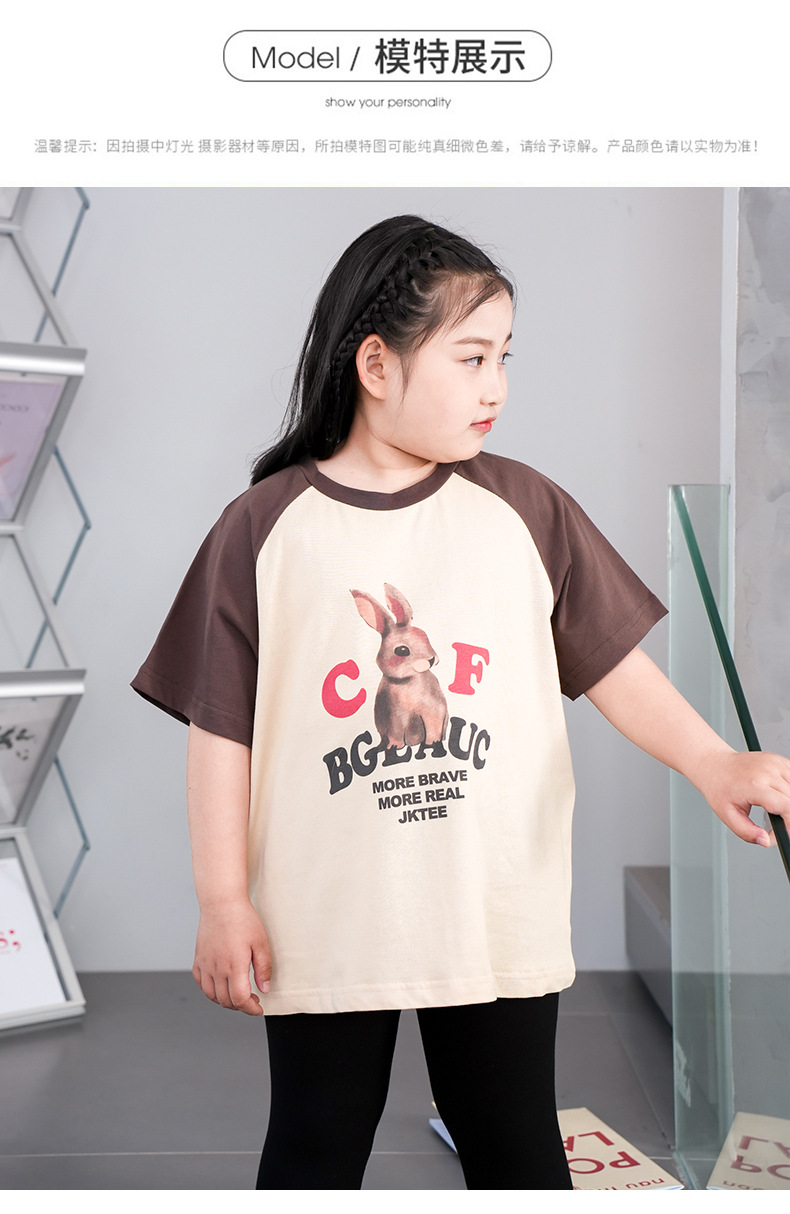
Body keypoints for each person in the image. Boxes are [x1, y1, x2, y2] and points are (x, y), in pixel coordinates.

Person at [132, 214, 790, 1190]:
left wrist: (712, 760)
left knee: (514, 1144)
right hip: (326, 912)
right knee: (314, 1144)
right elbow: (219, 729)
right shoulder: (266, 528)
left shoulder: (524, 508)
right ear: (376, 364)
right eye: (472, 357)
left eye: (504, 357)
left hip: (493, 906)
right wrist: (223, 900)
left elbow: (612, 664)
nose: (497, 387)